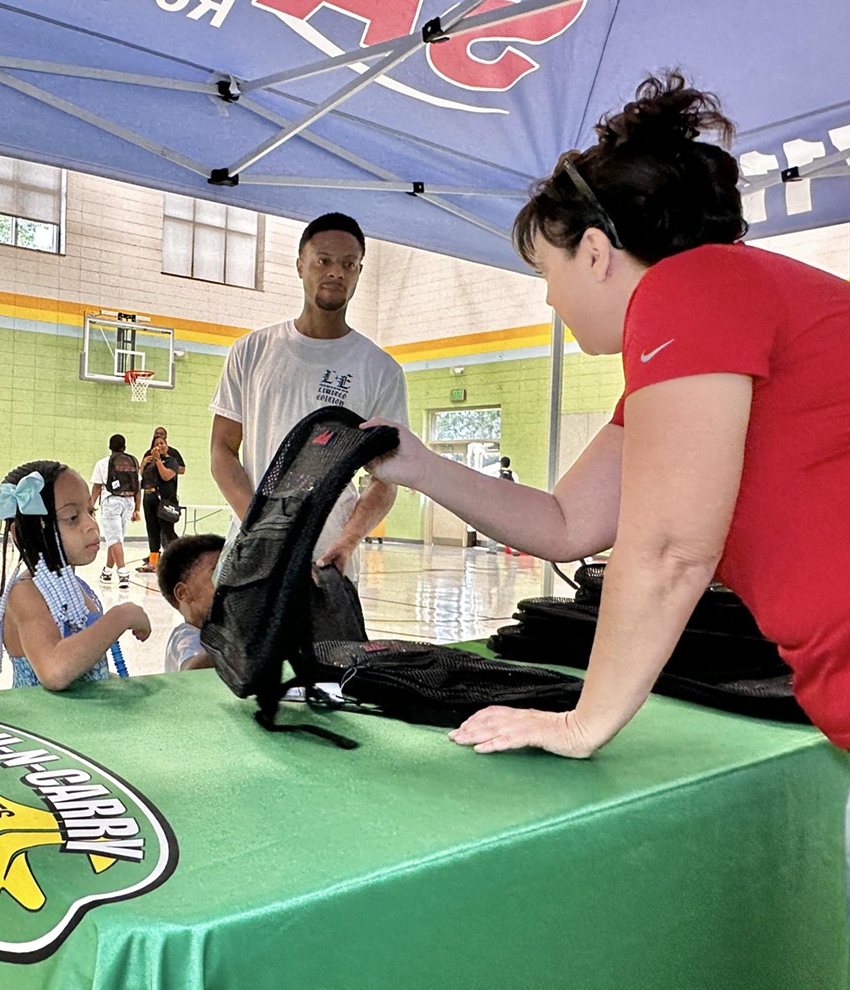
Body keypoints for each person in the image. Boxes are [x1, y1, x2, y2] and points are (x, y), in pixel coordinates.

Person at [364, 72, 850, 762]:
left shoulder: (690, 289)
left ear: (594, 252)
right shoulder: (720, 323)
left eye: (545, 274)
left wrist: (581, 722)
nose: (549, 303)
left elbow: (671, 550)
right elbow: (567, 526)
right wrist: (416, 464)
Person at [209, 213, 407, 576]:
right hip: (251, 556)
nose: (336, 272)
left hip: (327, 561)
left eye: (349, 264)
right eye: (324, 260)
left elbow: (387, 478)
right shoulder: (251, 351)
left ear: (359, 272)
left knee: (331, 638)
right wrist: (259, 529)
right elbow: (222, 450)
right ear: (300, 266)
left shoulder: (380, 369)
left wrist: (346, 541)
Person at [0, 461, 151, 690]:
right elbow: (54, 671)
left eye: (90, 511)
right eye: (72, 518)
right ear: (25, 531)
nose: (92, 525)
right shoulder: (25, 594)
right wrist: (120, 617)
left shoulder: (79, 588)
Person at [156, 534, 224, 672]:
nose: (229, 582)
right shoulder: (185, 637)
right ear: (183, 593)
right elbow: (189, 669)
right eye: (218, 575)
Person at [89, 434, 140, 589]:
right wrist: (137, 509)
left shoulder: (103, 463)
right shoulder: (131, 463)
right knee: (116, 538)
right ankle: (107, 571)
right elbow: (137, 487)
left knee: (114, 538)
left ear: (110, 447)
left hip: (111, 502)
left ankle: (123, 573)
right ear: (124, 446)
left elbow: (97, 487)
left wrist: (90, 507)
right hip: (129, 502)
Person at [136, 433, 181, 574]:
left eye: (162, 443)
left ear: (167, 445)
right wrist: (143, 464)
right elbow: (138, 477)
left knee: (167, 531)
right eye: (157, 444)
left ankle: (179, 558)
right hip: (149, 497)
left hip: (164, 500)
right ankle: (153, 562)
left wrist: (158, 460)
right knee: (152, 531)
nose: (160, 446)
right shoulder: (149, 461)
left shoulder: (171, 461)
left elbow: (166, 476)